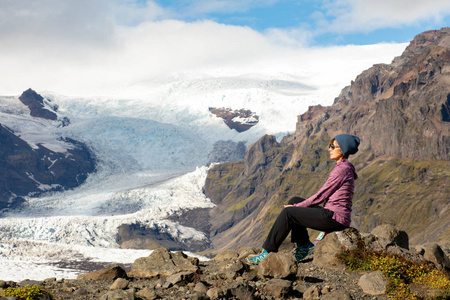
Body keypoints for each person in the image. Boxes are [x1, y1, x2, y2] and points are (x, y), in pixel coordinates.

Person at [247, 133, 360, 264]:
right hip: (335, 215)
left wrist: (296, 208)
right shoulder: (344, 168)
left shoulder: (341, 170)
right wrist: (297, 205)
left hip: (335, 218)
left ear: (343, 149)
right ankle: (304, 245)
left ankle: (267, 252)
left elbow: (320, 196)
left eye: (332, 146)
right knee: (295, 200)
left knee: (289, 212)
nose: (329, 149)